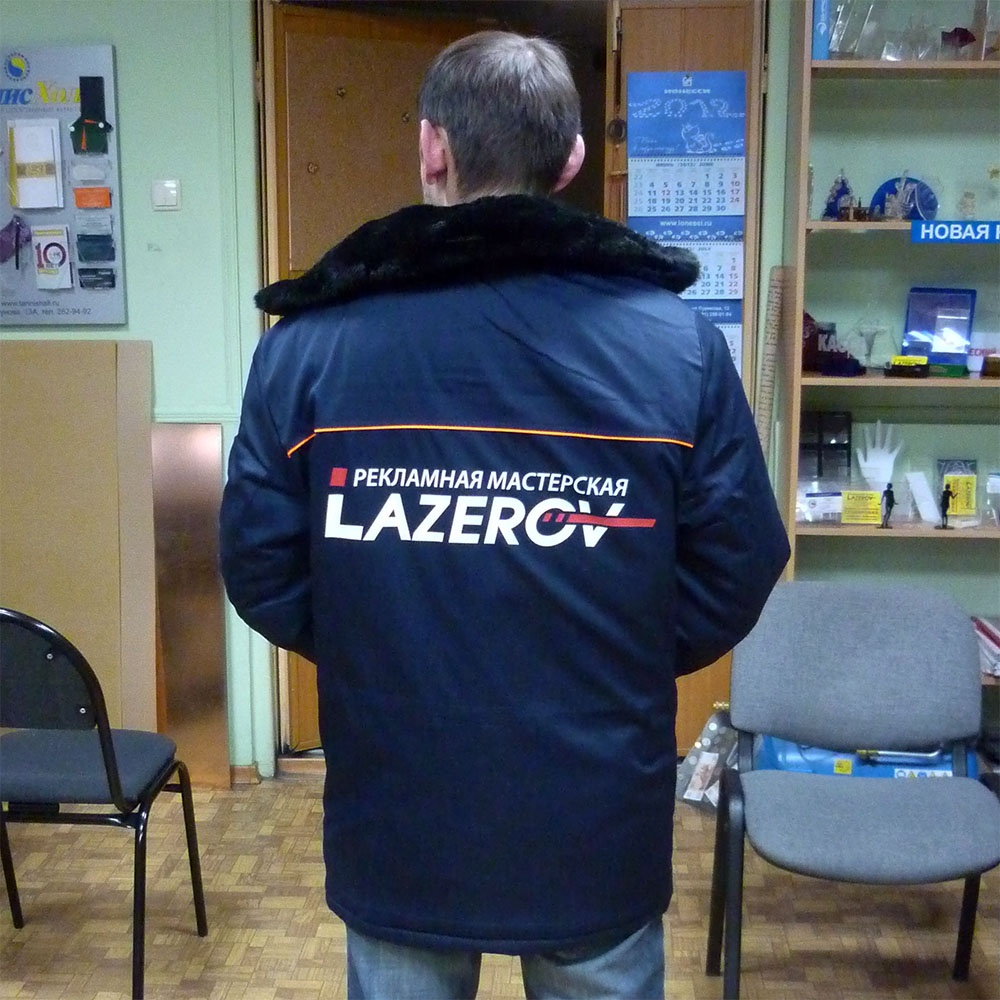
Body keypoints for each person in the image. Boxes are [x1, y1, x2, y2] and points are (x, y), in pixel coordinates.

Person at [220, 30, 789, 1000]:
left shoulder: (307, 350)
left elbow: (260, 567)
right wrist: (620, 649)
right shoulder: (678, 348)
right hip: (591, 816)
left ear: (430, 147)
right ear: (570, 162)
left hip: (402, 808)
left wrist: (377, 643)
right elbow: (737, 565)